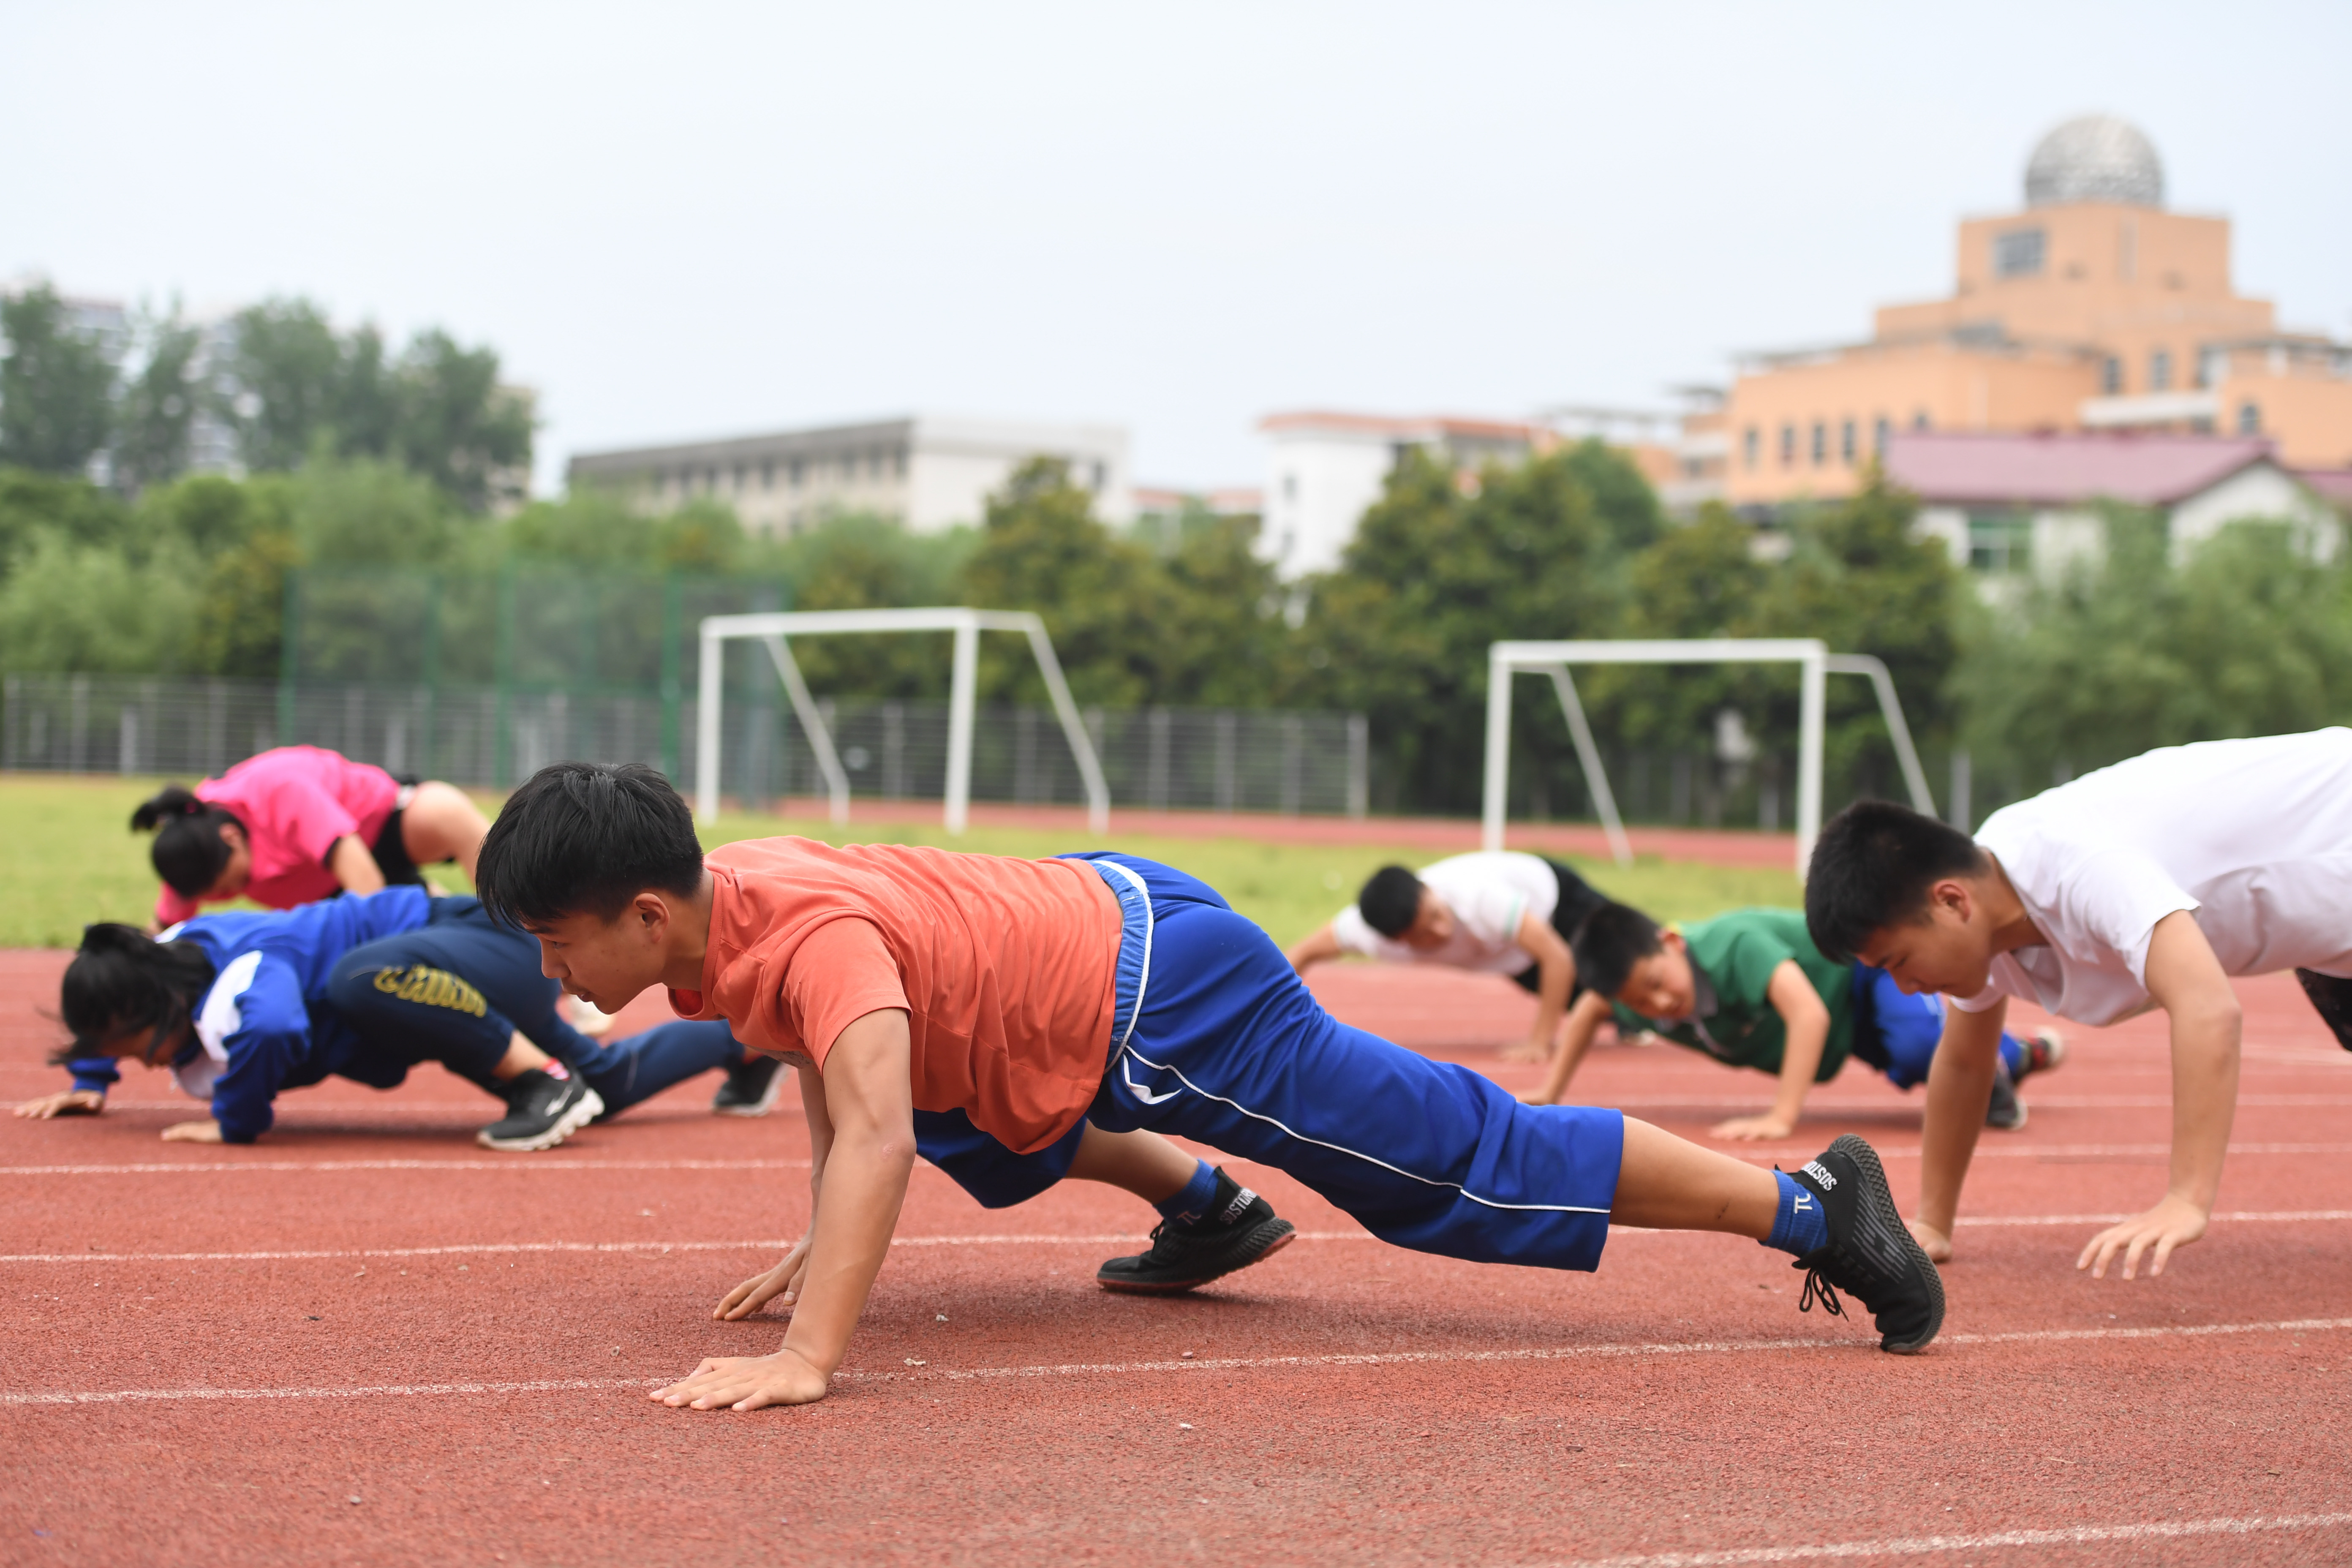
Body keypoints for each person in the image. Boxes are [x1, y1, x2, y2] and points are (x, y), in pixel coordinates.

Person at [473, 763, 1948, 1413]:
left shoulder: (806, 934)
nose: (553, 977)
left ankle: (1810, 1208)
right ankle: (1206, 1211)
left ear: (646, 916)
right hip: (1106, 924)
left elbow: (861, 1118)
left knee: (1456, 1171)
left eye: (556, 945)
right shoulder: (727, 891)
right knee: (959, 1120)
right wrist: (815, 1237)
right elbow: (840, 1078)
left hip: (1160, 990)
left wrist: (810, 1349)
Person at [1802, 729, 2352, 1284]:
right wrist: (1932, 1224)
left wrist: (2186, 1199)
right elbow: (1967, 1061)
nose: (1902, 988)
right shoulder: (1991, 904)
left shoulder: (2083, 867)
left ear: (1951, 901)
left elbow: (2207, 1008)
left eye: (1897, 960)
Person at [14, 887, 772, 1152]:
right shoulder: (168, 960)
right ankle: (746, 1041)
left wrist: (236, 1120)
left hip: (481, 943)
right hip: (445, 975)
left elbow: (274, 1030)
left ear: (158, 1009)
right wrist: (92, 1075)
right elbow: (112, 997)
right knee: (603, 1081)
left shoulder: (247, 968)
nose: (148, 1064)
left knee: (356, 976)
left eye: (135, 1050)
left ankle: (541, 1085)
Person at [1519, 901, 2063, 1137]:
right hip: (1847, 1027)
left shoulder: (1734, 945)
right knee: (1916, 1061)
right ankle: (2025, 1053)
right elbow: (1591, 1006)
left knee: (1922, 1048)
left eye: (1659, 986)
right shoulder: (1634, 993)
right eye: (1640, 1003)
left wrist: (1783, 1116)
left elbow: (1806, 1014)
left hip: (1860, 977)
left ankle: (1995, 1066)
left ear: (1672, 941)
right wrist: (1552, 1087)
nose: (1659, 1006)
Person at [1287, 852, 1606, 1062]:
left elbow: (1558, 958)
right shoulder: (1367, 931)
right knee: (1603, 1005)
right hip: (1510, 955)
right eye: (1423, 934)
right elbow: (1301, 953)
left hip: (1558, 902)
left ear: (1429, 890)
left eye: (1437, 914)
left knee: (1629, 967)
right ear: (1397, 940)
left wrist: (1540, 1042)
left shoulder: (1479, 899)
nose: (1441, 931)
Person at [133, 745, 493, 928]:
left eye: (238, 880)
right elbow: (163, 934)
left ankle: (519, 924)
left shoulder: (280, 791)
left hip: (378, 828)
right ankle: (452, 921)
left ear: (232, 837)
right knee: (438, 922)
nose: (239, 890)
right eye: (225, 894)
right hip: (327, 892)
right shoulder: (189, 852)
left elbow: (366, 884)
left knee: (448, 812)